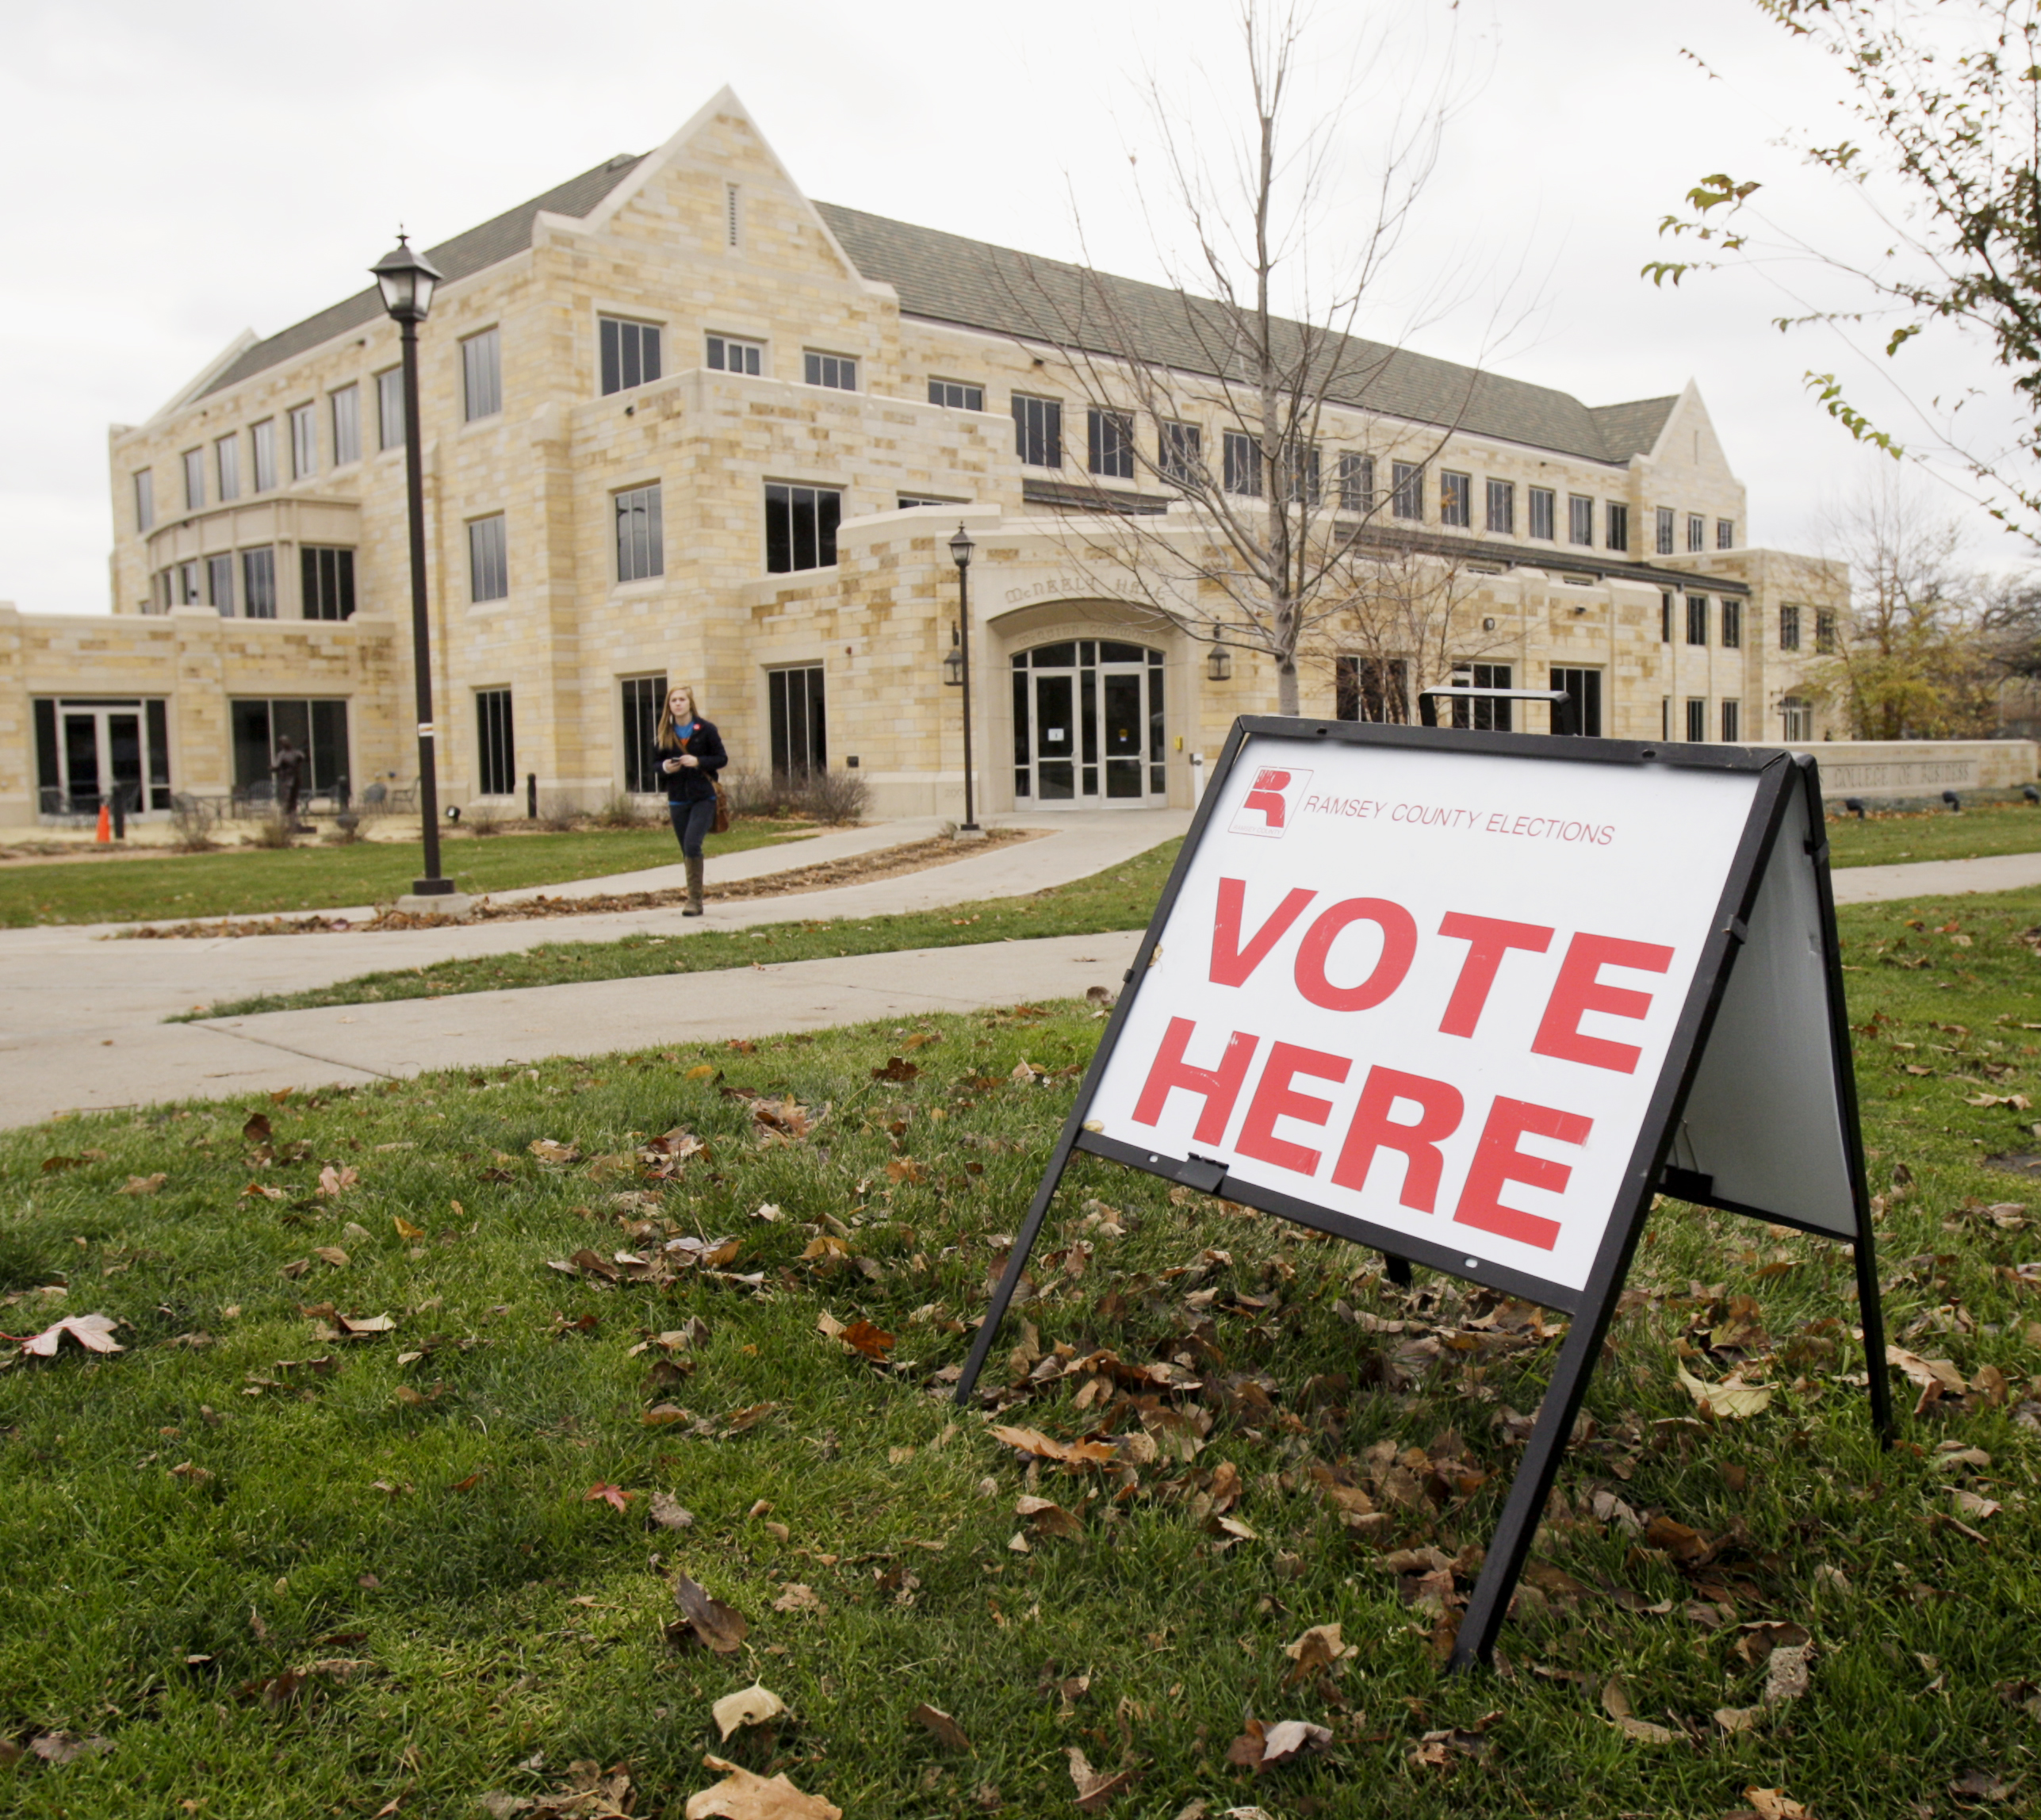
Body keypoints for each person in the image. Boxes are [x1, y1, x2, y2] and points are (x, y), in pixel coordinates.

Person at [652, 684, 727, 915]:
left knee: (692, 843)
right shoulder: (664, 732)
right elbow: (653, 765)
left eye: (682, 700)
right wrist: (666, 767)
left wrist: (698, 761)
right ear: (669, 706)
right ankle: (694, 896)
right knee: (686, 849)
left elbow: (721, 759)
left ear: (689, 703)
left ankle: (694, 901)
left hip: (703, 796)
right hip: (677, 798)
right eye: (673, 700)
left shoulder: (705, 729)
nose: (678, 704)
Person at [271, 734, 308, 827]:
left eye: (287, 740)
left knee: (294, 801)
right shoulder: (281, 755)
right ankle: (284, 822)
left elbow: (304, 758)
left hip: (296, 780)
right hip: (287, 781)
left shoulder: (296, 752)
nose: (286, 742)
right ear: (282, 744)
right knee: (287, 801)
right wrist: (273, 768)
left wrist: (305, 749)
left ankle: (294, 821)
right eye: (284, 741)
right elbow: (276, 766)